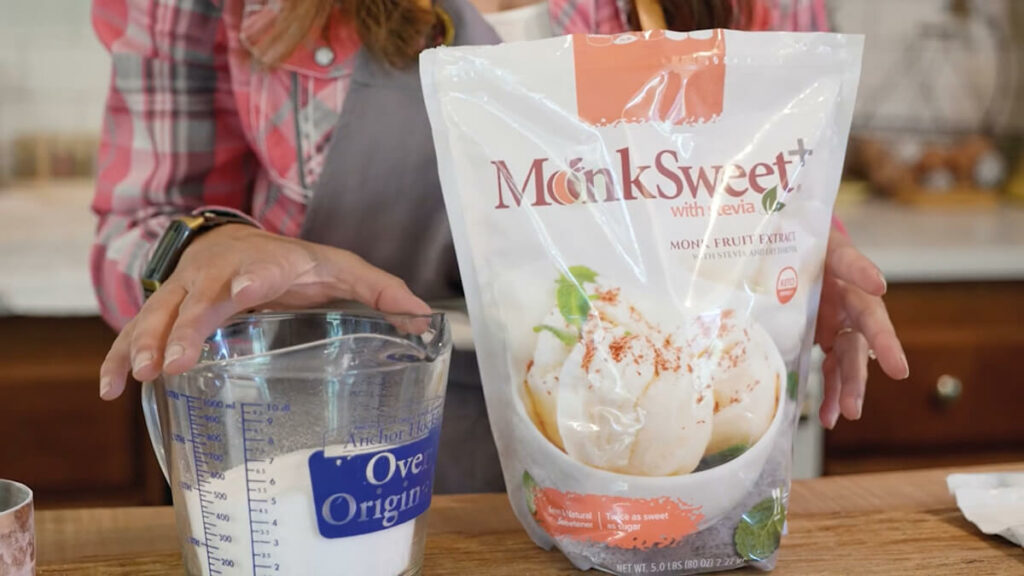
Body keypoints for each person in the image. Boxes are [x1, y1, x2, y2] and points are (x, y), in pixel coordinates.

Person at [91, 0, 908, 493]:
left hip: (654, 476)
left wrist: (791, 254)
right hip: (332, 487)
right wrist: (207, 249)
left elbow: (765, 180)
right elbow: (142, 222)